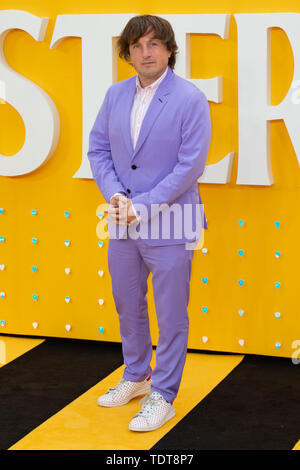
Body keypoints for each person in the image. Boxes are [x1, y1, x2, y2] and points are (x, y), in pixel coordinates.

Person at [87, 14, 211, 432]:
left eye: (154, 44)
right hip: (121, 217)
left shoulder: (190, 98)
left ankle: (164, 394)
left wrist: (143, 205)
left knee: (172, 312)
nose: (146, 53)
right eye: (137, 46)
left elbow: (190, 165)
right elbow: (98, 150)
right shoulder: (115, 94)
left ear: (170, 50)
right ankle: (136, 376)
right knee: (127, 302)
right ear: (127, 53)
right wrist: (117, 196)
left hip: (173, 218)